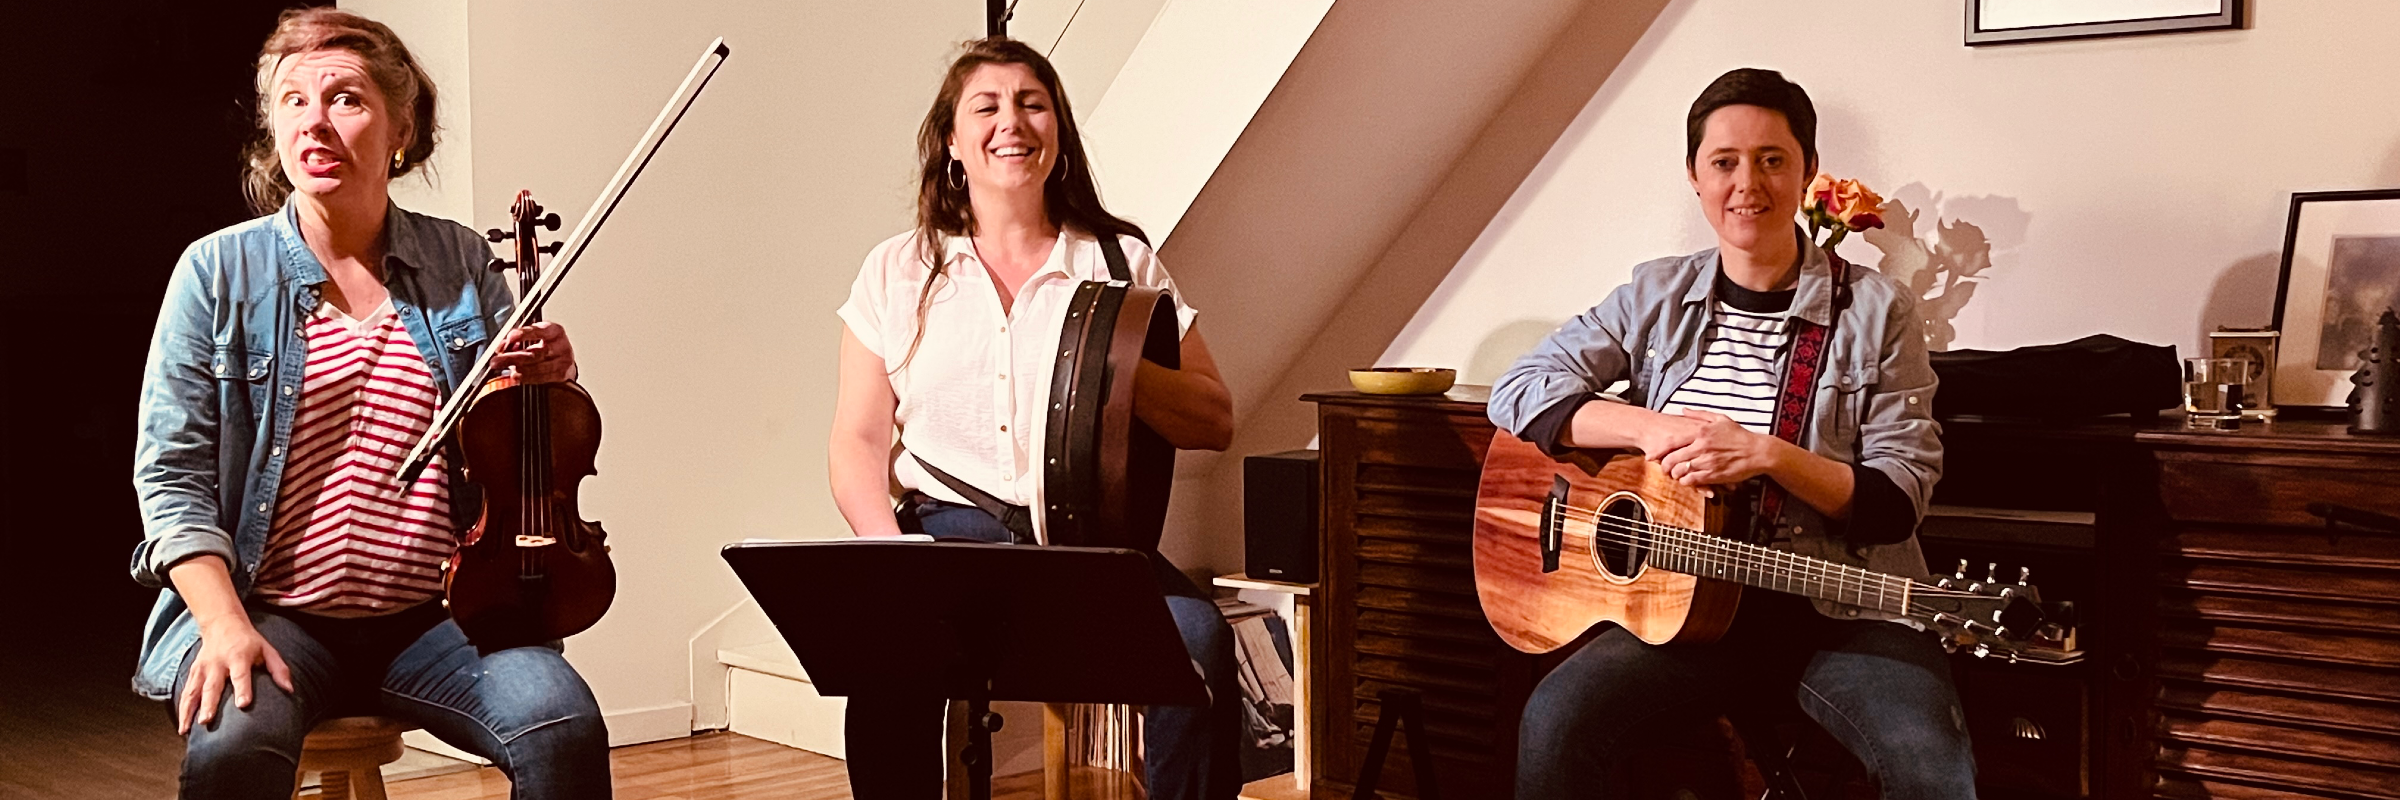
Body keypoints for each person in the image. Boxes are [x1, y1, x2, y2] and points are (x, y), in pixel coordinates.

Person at [130, 9, 610, 798]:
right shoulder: (215, 272)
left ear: (400, 126)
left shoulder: (458, 258)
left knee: (561, 724)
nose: (314, 122)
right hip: (272, 611)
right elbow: (171, 479)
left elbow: (520, 450)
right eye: (292, 101)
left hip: (442, 615)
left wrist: (543, 384)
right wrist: (222, 625)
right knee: (232, 750)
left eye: (346, 99)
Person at [1486, 68, 1974, 798]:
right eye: (1725, 162)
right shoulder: (1655, 295)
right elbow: (1519, 391)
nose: (1748, 183)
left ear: (1808, 171)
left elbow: (1897, 497)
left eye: (1772, 160)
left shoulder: (1879, 311)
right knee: (1555, 719)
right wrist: (1654, 428)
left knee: (1928, 758)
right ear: (1695, 177)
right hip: (1686, 608)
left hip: (1839, 607)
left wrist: (1769, 456)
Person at [827, 37, 1242, 800]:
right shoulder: (897, 268)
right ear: (952, 141)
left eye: (1032, 103)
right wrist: (892, 560)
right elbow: (857, 439)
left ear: (1058, 131)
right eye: (985, 107)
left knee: (1201, 643)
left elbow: (1214, 418)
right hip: (946, 539)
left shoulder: (1121, 262)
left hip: (1090, 548)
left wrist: (1108, 363)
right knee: (883, 667)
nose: (1011, 122)